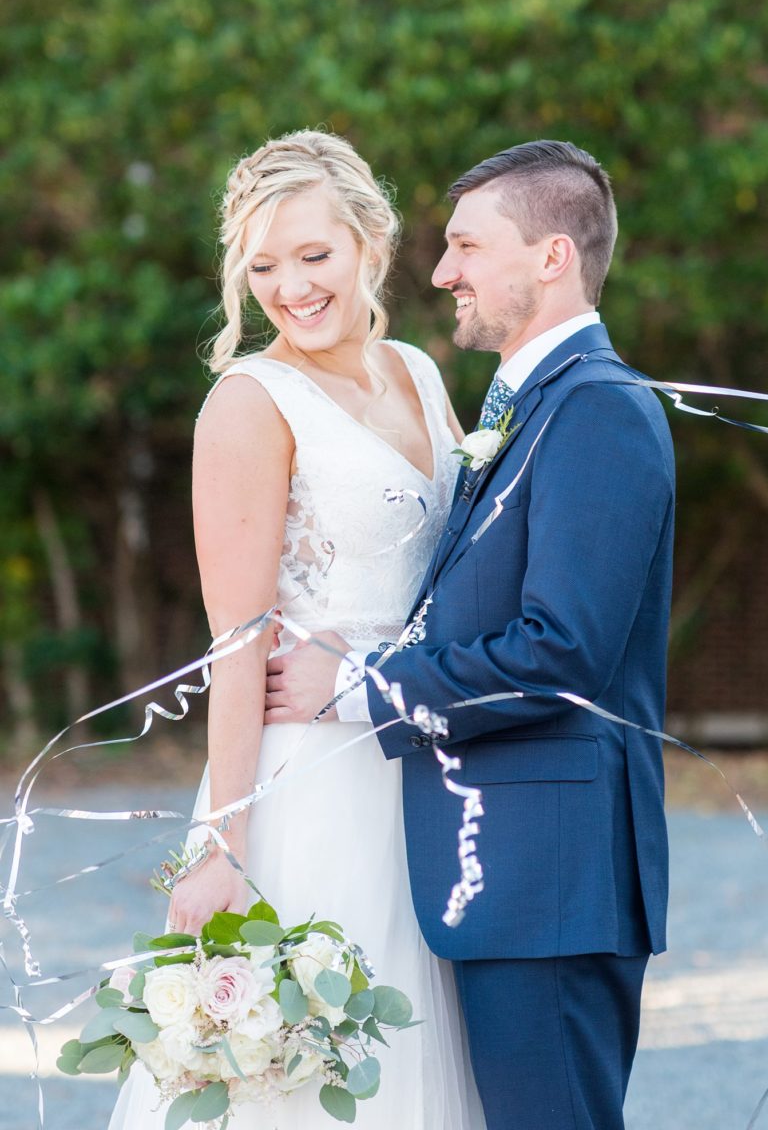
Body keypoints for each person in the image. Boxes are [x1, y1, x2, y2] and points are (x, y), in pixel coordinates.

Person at [266, 140, 675, 1130]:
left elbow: (562, 654)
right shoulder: (522, 405)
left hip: (552, 880)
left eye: (466, 246)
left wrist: (359, 684)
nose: (443, 271)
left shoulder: (598, 411)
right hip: (511, 881)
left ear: (550, 258)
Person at [108, 129, 485, 1129]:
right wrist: (224, 843)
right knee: (301, 1077)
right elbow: (239, 637)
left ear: (371, 242)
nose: (292, 288)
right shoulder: (248, 403)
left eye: (313, 256)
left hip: (413, 767)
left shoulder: (417, 371)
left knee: (414, 1054)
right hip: (304, 786)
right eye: (262, 266)